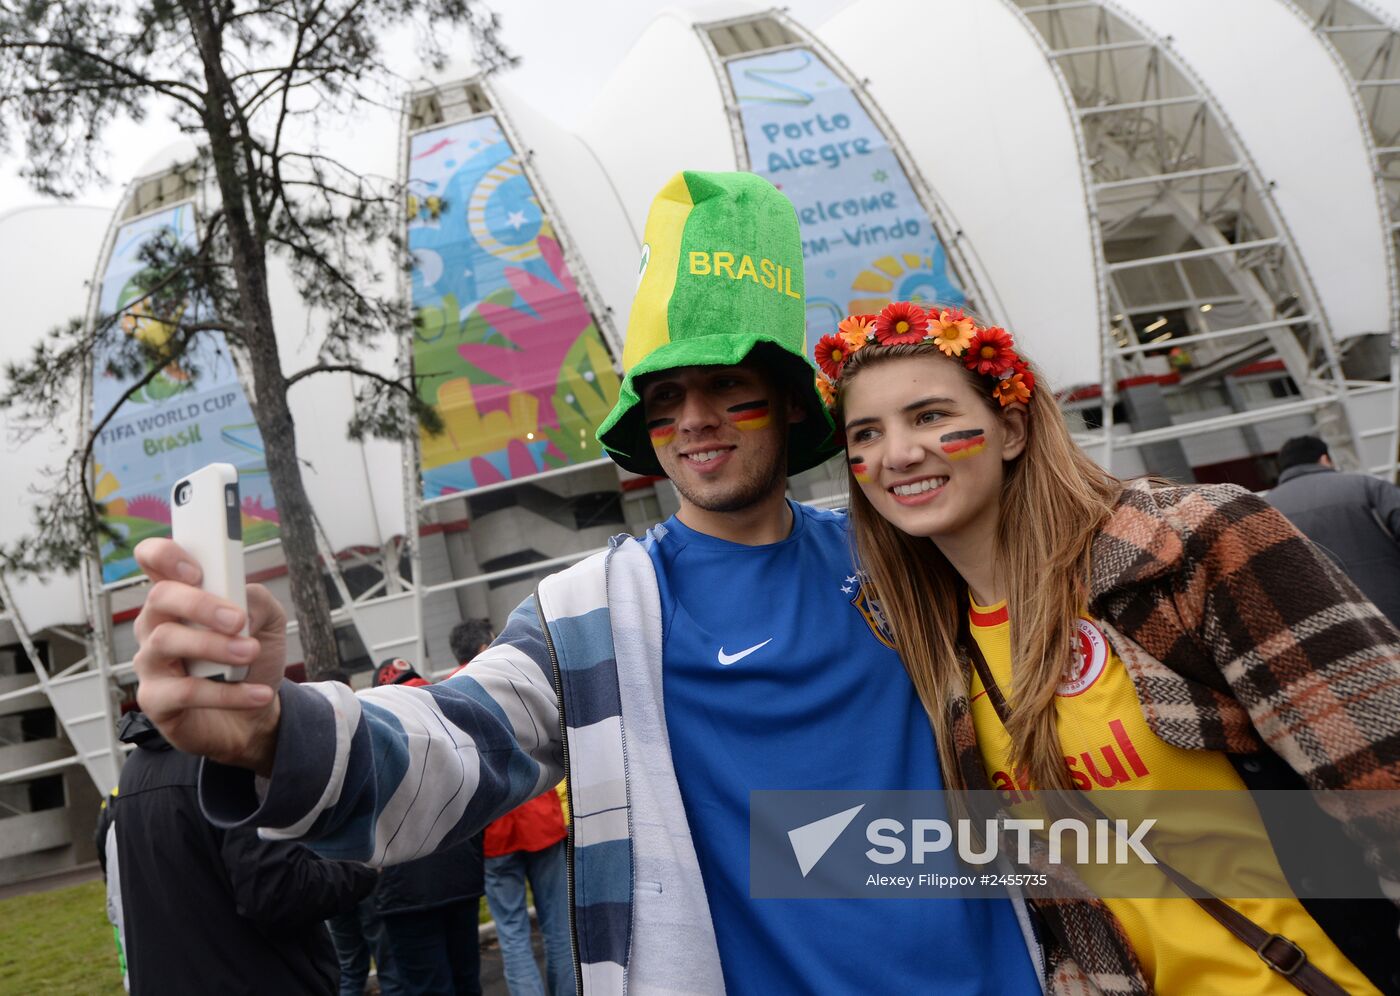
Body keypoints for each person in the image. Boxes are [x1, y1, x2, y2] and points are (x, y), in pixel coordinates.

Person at [129, 172, 1043, 994]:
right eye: (665, 398)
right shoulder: (596, 614)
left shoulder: (912, 562)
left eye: (729, 387)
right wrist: (276, 732)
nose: (696, 422)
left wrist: (1099, 929)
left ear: (794, 403)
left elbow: (1098, 757)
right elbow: (458, 736)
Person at [816, 301, 1400, 993]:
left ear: (1009, 428)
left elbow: (1384, 784)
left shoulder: (1188, 544)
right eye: (867, 433)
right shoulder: (935, 652)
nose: (898, 454)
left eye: (931, 416)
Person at [107, 709, 377, 995]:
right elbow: (277, 891)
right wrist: (363, 866)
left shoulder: (136, 767)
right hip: (254, 978)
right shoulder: (234, 755)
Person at [450, 619, 572, 996]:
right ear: (488, 643)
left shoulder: (451, 688)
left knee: (512, 932)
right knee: (558, 927)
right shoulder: (513, 671)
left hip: (494, 828)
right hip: (541, 819)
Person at [369, 658, 486, 996]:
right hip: (459, 874)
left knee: (428, 988)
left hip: (405, 887)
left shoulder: (375, 726)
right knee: (467, 982)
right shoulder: (447, 714)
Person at [320, 668, 400, 996]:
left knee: (350, 967)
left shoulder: (311, 742)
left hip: (327, 872)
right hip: (364, 869)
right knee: (388, 965)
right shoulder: (362, 734)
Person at [1265, 434, 1400, 626]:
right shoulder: (1368, 486)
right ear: (1324, 459)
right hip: (1391, 607)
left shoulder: (1265, 509)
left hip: (1329, 628)